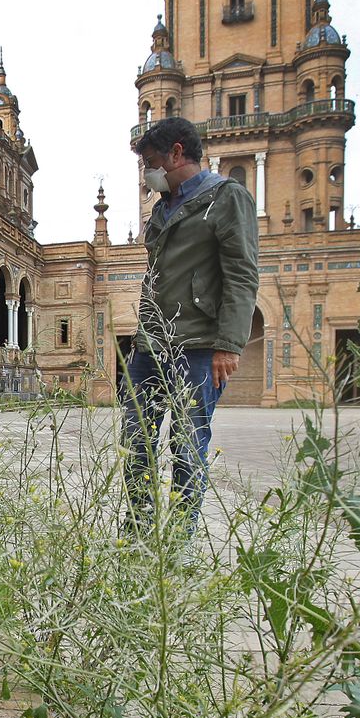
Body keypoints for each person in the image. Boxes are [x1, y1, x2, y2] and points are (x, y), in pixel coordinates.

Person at [123, 117, 259, 532]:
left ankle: (178, 540)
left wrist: (230, 344)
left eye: (151, 162)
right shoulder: (164, 207)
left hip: (197, 346)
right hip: (152, 345)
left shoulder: (226, 198)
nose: (148, 174)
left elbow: (241, 273)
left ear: (177, 153)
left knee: (186, 445)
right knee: (136, 441)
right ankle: (139, 533)